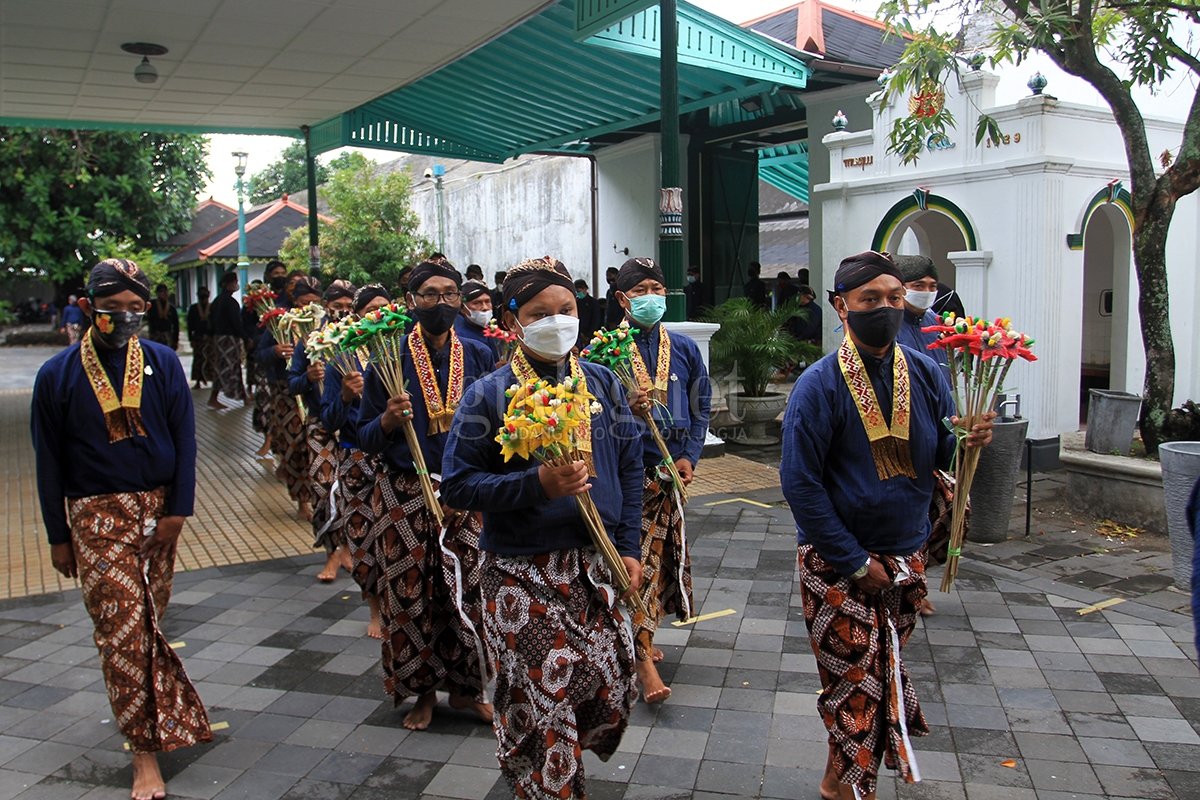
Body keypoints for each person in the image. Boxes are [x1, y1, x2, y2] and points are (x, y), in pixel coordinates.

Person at [780, 251, 994, 800]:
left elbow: (940, 450)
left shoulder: (923, 371)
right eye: (869, 299)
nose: (886, 308)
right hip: (837, 564)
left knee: (879, 678)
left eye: (894, 298)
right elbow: (800, 484)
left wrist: (965, 441)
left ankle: (837, 778)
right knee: (853, 685)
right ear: (841, 306)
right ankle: (852, 788)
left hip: (905, 556)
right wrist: (853, 560)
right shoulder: (818, 385)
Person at [440, 256, 643, 800]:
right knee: (545, 705)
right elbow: (457, 487)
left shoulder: (602, 381)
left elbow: (628, 463)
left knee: (609, 688)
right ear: (515, 320)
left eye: (567, 310)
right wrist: (537, 485)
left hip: (595, 569)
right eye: (540, 313)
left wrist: (629, 546)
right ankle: (547, 785)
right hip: (520, 575)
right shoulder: (489, 394)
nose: (557, 321)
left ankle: (554, 758)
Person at [31, 258, 212, 800]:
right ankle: (143, 755)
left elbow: (185, 439)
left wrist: (178, 510)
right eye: (114, 310)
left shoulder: (160, 361)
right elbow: (48, 461)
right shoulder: (57, 375)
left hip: (158, 514)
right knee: (123, 634)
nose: (128, 318)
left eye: (137, 309)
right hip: (95, 516)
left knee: (149, 622)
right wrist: (58, 536)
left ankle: (158, 715)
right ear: (89, 309)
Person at [357, 259, 494, 731]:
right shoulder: (385, 357)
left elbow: (493, 427)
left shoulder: (477, 354)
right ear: (412, 301)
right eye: (430, 294)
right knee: (410, 594)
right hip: (404, 492)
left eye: (450, 293)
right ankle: (423, 693)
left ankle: (467, 687)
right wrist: (388, 422)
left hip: (463, 490)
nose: (442, 303)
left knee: (469, 591)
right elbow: (363, 437)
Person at [613, 257, 711, 704]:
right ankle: (642, 658)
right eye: (640, 290)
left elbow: (701, 404)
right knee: (636, 567)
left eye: (657, 287)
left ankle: (643, 637)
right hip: (630, 477)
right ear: (622, 298)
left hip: (672, 476)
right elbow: (592, 416)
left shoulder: (685, 348)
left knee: (656, 565)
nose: (651, 297)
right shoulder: (603, 351)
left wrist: (690, 454)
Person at [322, 284, 392, 640]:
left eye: (385, 308)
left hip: (391, 458)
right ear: (358, 316)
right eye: (371, 309)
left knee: (394, 538)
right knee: (363, 537)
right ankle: (375, 609)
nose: (378, 314)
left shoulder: (400, 354)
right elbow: (328, 421)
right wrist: (347, 397)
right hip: (355, 457)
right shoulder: (342, 361)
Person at [291, 279, 356, 582]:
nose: (342, 312)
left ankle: (351, 549)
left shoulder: (362, 337)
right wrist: (307, 376)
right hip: (321, 423)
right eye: (337, 306)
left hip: (354, 423)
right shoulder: (310, 340)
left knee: (352, 491)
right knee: (322, 487)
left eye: (348, 307)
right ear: (326, 306)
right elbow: (291, 382)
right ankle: (332, 551)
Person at [258, 273, 318, 520]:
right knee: (295, 448)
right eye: (303, 303)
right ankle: (302, 500)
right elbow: (259, 354)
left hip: (317, 395)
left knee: (315, 448)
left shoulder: (325, 325)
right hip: (288, 394)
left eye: (313, 303)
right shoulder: (281, 323)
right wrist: (274, 351)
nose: (307, 308)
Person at [894, 255, 948, 372]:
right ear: (900, 287)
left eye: (932, 286)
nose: (927, 292)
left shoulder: (937, 324)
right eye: (919, 286)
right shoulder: (889, 325)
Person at [208, 271, 247, 410]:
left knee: (223, 367)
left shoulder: (216, 301)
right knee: (232, 366)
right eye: (234, 282)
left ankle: (243, 397)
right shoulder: (231, 303)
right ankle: (242, 397)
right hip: (230, 339)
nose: (236, 285)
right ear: (228, 284)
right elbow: (236, 323)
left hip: (218, 339)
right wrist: (245, 337)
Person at [455, 279, 498, 360]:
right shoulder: (459, 336)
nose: (485, 307)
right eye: (477, 303)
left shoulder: (492, 330)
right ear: (463, 308)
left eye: (487, 301)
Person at [186, 286, 214, 389]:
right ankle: (198, 380)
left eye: (205, 297)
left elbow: (215, 323)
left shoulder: (212, 307)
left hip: (209, 338)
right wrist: (191, 338)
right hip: (197, 337)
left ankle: (211, 379)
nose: (203, 299)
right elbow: (190, 325)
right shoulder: (193, 308)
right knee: (198, 359)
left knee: (210, 359)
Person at [145, 283, 179, 349]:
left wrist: (175, 340)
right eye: (161, 292)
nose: (163, 294)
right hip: (155, 335)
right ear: (157, 293)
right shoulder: (151, 305)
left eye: (165, 291)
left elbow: (176, 325)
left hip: (167, 336)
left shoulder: (171, 308)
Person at [574, 278, 601, 349]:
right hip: (578, 335)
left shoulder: (593, 302)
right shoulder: (575, 302)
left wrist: (589, 335)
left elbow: (596, 320)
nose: (578, 293)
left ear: (585, 289)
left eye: (579, 291)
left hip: (590, 335)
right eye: (576, 291)